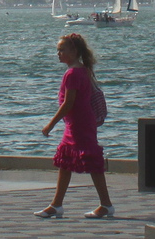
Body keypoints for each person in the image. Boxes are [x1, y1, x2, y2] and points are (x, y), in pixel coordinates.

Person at [34, 33, 112, 220]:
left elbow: (68, 103)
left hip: (79, 125)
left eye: (62, 50)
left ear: (74, 51)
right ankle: (56, 205)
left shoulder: (73, 74)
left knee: (92, 162)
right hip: (78, 123)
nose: (58, 54)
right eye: (57, 50)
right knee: (65, 162)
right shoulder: (83, 70)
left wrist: (50, 125)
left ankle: (106, 205)